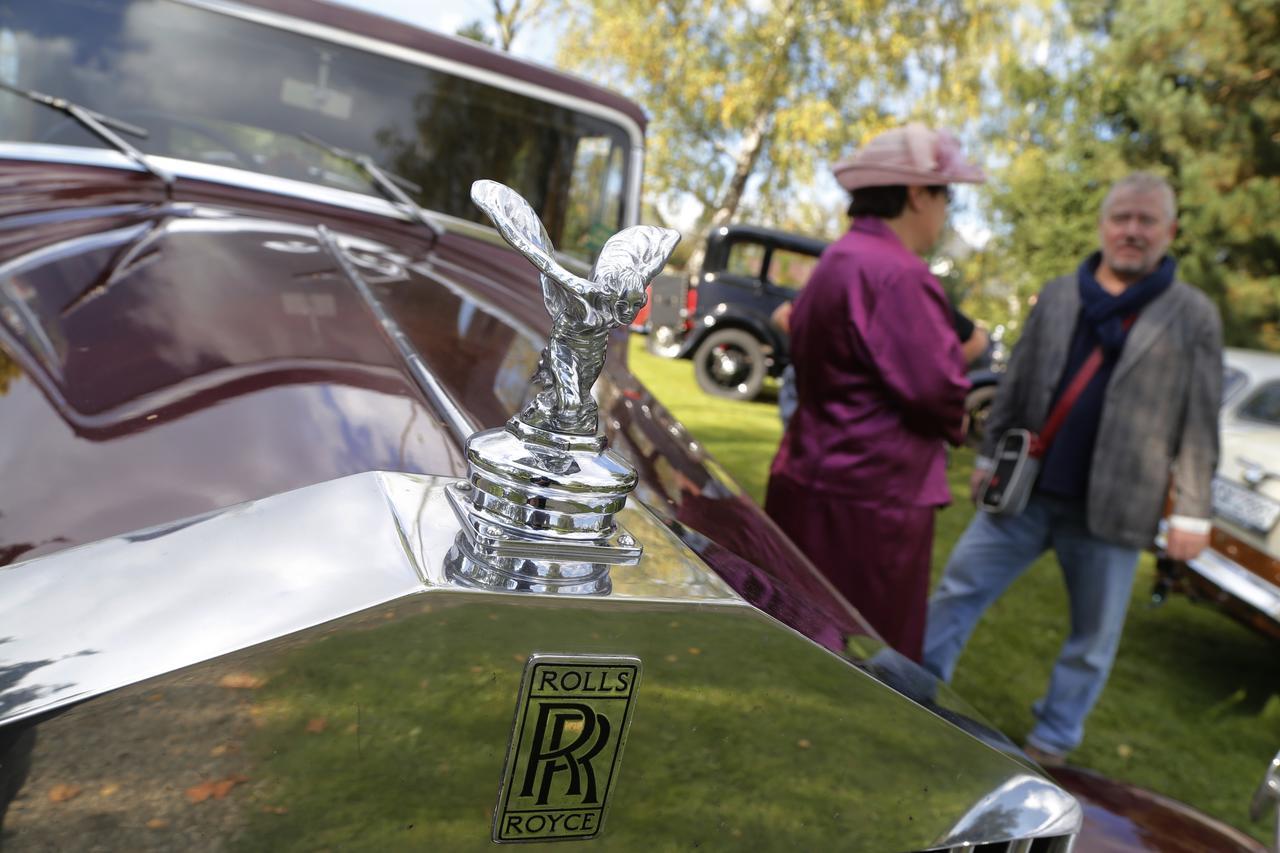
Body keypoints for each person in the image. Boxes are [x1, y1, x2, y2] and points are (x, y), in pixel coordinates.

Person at [922, 172, 1222, 766]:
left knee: (1093, 640)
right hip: (1024, 495)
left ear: (1170, 231)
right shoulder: (1061, 293)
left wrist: (1193, 511)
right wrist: (987, 455)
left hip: (1114, 509)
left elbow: (1199, 421)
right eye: (1122, 218)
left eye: (1146, 221)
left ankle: (1053, 742)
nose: (1132, 232)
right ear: (1103, 225)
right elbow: (1018, 383)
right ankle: (914, 691)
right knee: (957, 591)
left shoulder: (1192, 314)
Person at [765, 123, 985, 661]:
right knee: (860, 652)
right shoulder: (898, 274)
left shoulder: (840, 259)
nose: (946, 212)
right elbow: (936, 391)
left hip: (813, 477)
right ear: (916, 194)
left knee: (801, 632)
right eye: (945, 196)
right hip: (870, 501)